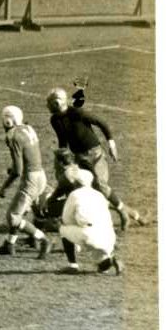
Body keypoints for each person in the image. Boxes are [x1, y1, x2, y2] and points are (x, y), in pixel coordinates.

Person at [46, 86, 143, 228]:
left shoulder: (77, 113)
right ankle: (132, 213)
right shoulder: (54, 119)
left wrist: (112, 145)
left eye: (55, 100)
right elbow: (62, 140)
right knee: (84, 189)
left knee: (100, 187)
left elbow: (101, 123)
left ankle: (123, 212)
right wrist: (63, 158)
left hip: (95, 154)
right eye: (51, 101)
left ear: (63, 100)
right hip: (79, 157)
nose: (52, 104)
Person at [0, 105, 51, 258]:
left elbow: (17, 171)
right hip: (40, 175)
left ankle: (43, 240)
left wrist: (4, 188)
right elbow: (27, 155)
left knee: (13, 216)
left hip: (31, 179)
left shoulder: (13, 136)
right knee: (21, 211)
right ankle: (9, 244)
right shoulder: (28, 128)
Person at [57, 166, 123, 275]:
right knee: (101, 265)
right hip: (109, 237)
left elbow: (66, 219)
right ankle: (112, 260)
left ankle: (72, 265)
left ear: (76, 183)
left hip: (90, 235)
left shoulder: (74, 194)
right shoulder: (99, 195)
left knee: (62, 228)